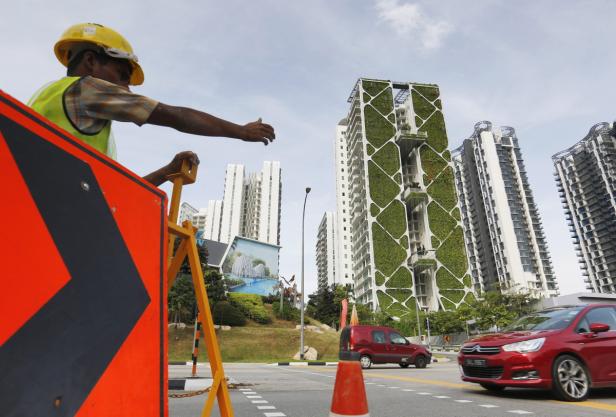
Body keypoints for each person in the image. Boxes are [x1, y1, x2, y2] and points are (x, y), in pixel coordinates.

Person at [28, 23, 275, 186]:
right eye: (122, 74)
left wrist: (167, 172)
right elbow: (177, 117)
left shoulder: (48, 100)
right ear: (91, 62)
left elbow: (113, 193)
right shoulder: (87, 89)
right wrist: (242, 132)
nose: (127, 88)